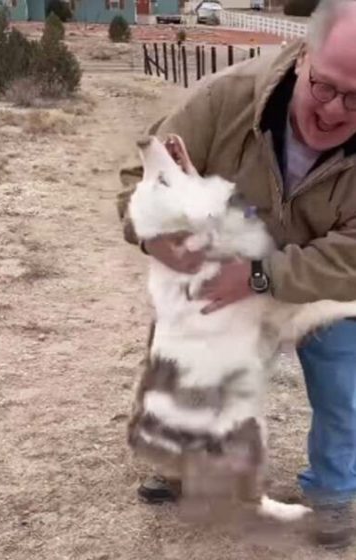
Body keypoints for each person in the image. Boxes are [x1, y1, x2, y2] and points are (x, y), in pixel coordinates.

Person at [116, 0, 356, 550]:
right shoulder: (224, 97)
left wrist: (259, 275)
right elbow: (141, 176)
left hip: (328, 285)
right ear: (301, 56)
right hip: (224, 263)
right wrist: (157, 238)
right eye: (325, 85)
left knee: (344, 388)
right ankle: (178, 464)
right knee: (185, 361)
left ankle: (334, 492)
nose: (336, 110)